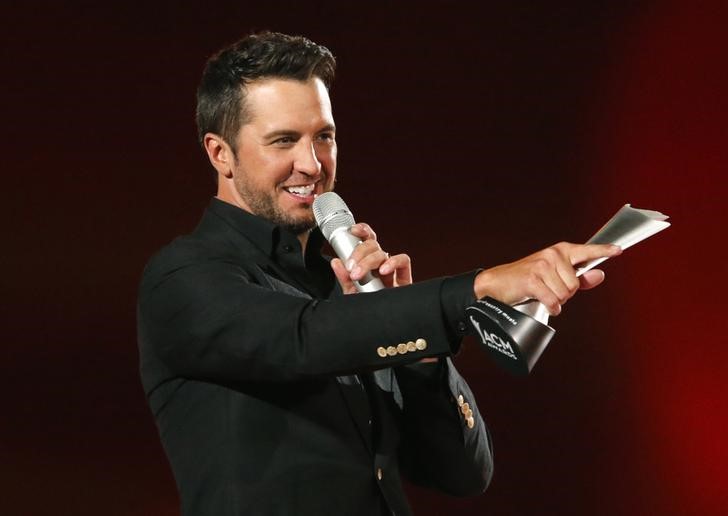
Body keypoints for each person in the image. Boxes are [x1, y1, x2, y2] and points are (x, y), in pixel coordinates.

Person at [137, 31, 621, 516]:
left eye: (323, 137)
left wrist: (418, 354)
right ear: (220, 153)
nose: (311, 164)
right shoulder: (182, 279)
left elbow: (463, 473)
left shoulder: (346, 292)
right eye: (284, 140)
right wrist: (478, 288)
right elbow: (303, 338)